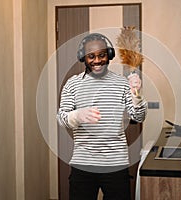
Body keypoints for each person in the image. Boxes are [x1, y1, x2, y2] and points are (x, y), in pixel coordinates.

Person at [57, 33, 147, 200]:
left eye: (102, 55)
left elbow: (139, 116)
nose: (97, 60)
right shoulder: (72, 84)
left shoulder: (122, 83)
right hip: (83, 163)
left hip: (116, 164)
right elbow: (62, 119)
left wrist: (137, 94)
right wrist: (78, 115)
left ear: (109, 55)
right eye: (91, 56)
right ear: (83, 57)